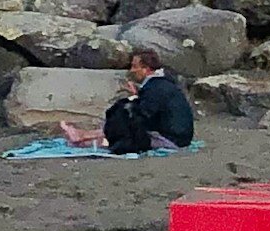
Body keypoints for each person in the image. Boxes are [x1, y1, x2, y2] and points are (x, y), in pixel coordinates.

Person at [60, 47, 192, 153]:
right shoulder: (162, 84)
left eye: (135, 67)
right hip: (178, 136)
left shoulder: (156, 88)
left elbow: (142, 117)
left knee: (123, 123)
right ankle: (84, 137)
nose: (132, 70)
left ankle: (84, 136)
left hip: (171, 140)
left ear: (145, 69)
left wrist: (132, 101)